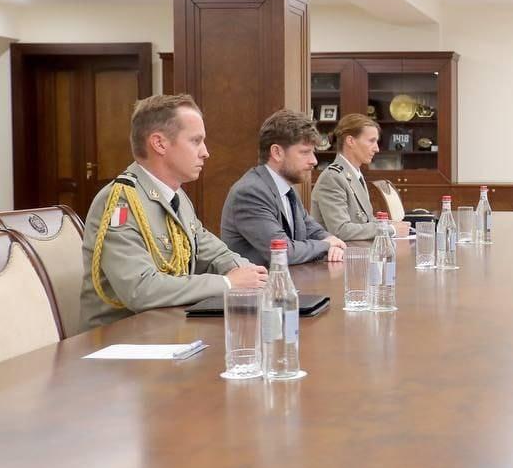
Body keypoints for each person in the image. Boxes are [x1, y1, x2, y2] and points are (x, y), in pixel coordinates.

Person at [80, 94, 266, 331]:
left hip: (167, 328)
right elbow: (140, 289)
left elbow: (213, 252)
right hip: (120, 339)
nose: (205, 152)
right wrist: (227, 283)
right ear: (159, 143)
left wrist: (247, 273)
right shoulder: (120, 202)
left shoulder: (176, 197)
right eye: (196, 141)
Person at [220, 109, 347, 266]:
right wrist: (326, 245)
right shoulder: (250, 192)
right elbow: (282, 252)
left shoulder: (287, 188)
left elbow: (311, 229)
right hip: (261, 281)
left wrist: (331, 240)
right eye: (305, 152)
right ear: (277, 152)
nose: (314, 161)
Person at [310, 113, 410, 240]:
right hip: (339, 251)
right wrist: (390, 229)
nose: (377, 149)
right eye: (371, 141)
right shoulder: (333, 177)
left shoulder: (354, 174)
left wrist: (391, 224)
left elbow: (366, 220)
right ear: (350, 141)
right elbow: (340, 230)